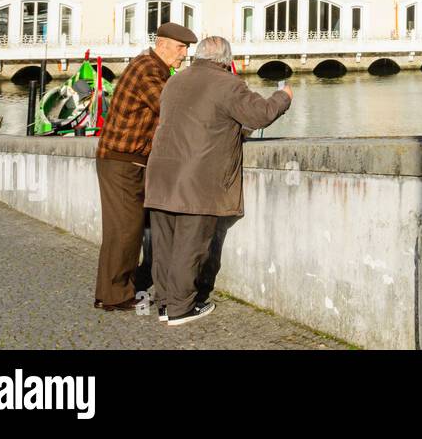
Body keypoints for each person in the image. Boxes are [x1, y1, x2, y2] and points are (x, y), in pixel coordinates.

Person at [145, 36, 292, 326]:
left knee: (164, 245)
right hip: (197, 179)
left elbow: (200, 120)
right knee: (191, 244)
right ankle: (181, 308)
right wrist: (283, 96)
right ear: (226, 60)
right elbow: (260, 114)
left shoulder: (176, 80)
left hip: (161, 174)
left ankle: (164, 303)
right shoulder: (228, 83)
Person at [93, 21, 196, 311]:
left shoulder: (153, 67)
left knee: (123, 228)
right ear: (162, 45)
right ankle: (115, 295)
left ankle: (109, 292)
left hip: (126, 159)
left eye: (186, 48)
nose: (184, 53)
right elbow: (169, 105)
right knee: (125, 229)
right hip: (122, 160)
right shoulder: (148, 70)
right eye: (180, 47)